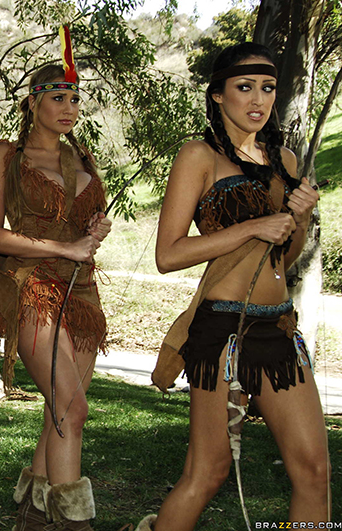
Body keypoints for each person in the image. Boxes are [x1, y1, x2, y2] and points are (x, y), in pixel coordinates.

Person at [135, 42, 327, 531]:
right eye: (245, 87)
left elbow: (284, 257)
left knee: (314, 473)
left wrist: (300, 218)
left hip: (279, 328)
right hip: (223, 332)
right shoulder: (198, 155)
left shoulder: (284, 159)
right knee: (207, 472)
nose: (258, 100)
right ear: (218, 95)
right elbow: (168, 255)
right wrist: (251, 227)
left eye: (268, 88)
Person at [0, 57, 112, 530]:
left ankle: (33, 517)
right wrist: (65, 247)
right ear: (33, 103)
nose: (69, 107)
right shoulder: (6, 156)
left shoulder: (82, 158)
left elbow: (82, 229)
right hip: (32, 286)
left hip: (83, 291)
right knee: (72, 410)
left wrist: (94, 231)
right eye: (58, 97)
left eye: (75, 98)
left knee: (60, 411)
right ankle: (74, 522)